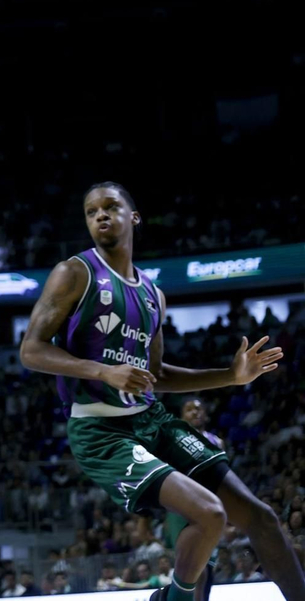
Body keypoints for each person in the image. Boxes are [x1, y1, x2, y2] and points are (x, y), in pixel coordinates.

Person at [19, 182, 303, 601]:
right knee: (209, 515)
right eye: (91, 210)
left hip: (151, 420)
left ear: (133, 217)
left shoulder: (153, 295)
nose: (100, 215)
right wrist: (103, 371)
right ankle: (174, 598)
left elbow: (157, 375)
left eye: (111, 206)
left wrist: (231, 376)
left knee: (260, 518)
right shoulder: (75, 273)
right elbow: (30, 349)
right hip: (102, 430)